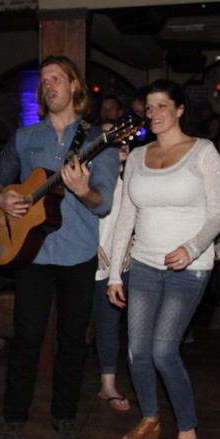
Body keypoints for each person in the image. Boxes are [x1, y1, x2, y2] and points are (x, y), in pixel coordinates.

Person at [0, 56, 120, 439]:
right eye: (44, 81)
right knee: (26, 338)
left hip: (77, 253)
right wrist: (0, 198)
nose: (49, 85)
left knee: (73, 341)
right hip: (32, 254)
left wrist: (84, 191)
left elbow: (105, 202)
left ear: (74, 85)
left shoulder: (98, 140)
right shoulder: (26, 137)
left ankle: (65, 416)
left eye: (57, 78)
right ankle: (14, 418)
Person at [107, 79, 220, 439]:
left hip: (188, 268)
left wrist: (192, 247)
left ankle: (188, 436)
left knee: (162, 351)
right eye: (149, 107)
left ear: (179, 109)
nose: (154, 113)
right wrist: (114, 274)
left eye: (162, 105)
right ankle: (150, 417)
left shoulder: (203, 152)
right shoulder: (138, 156)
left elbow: (218, 215)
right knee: (136, 351)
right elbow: (126, 217)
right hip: (143, 263)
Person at [93, 136, 132, 411]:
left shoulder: (134, 180)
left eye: (123, 139)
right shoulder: (87, 178)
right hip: (85, 259)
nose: (120, 143)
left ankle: (108, 385)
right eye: (111, 140)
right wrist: (88, 242)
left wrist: (134, 241)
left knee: (109, 322)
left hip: (117, 263)